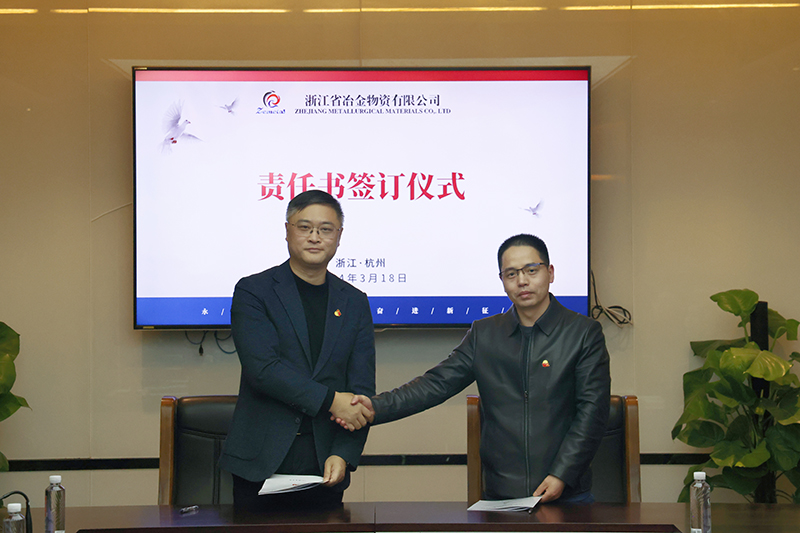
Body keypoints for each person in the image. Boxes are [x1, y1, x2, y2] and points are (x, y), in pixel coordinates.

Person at [341, 234, 610, 503]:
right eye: (511, 273)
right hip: (502, 493)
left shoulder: (583, 333)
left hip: (567, 493)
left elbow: (592, 412)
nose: (522, 281)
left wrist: (562, 474)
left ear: (550, 273)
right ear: (502, 280)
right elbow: (435, 384)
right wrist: (374, 408)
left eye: (531, 270)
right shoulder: (485, 334)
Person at [220, 190, 376, 511]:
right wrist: (331, 400)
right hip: (259, 461)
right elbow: (263, 370)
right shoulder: (254, 291)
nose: (315, 237)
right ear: (288, 230)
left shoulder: (354, 301)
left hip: (325, 462)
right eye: (305, 227)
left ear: (339, 236)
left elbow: (361, 392)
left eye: (325, 229)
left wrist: (344, 453)